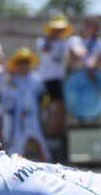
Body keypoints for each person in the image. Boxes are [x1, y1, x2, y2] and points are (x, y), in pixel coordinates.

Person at [36, 16, 84, 156]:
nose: (58, 32)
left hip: (60, 80)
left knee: (60, 108)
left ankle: (55, 135)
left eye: (61, 29)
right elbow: (46, 50)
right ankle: (51, 134)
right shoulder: (43, 41)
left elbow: (77, 54)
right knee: (56, 107)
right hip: (47, 80)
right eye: (55, 29)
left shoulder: (67, 42)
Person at [0, 48, 48, 160]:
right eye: (20, 63)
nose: (23, 66)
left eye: (26, 63)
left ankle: (49, 166)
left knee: (40, 144)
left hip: (33, 117)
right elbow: (6, 101)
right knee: (18, 147)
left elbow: (42, 96)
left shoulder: (36, 80)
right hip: (18, 119)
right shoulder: (12, 82)